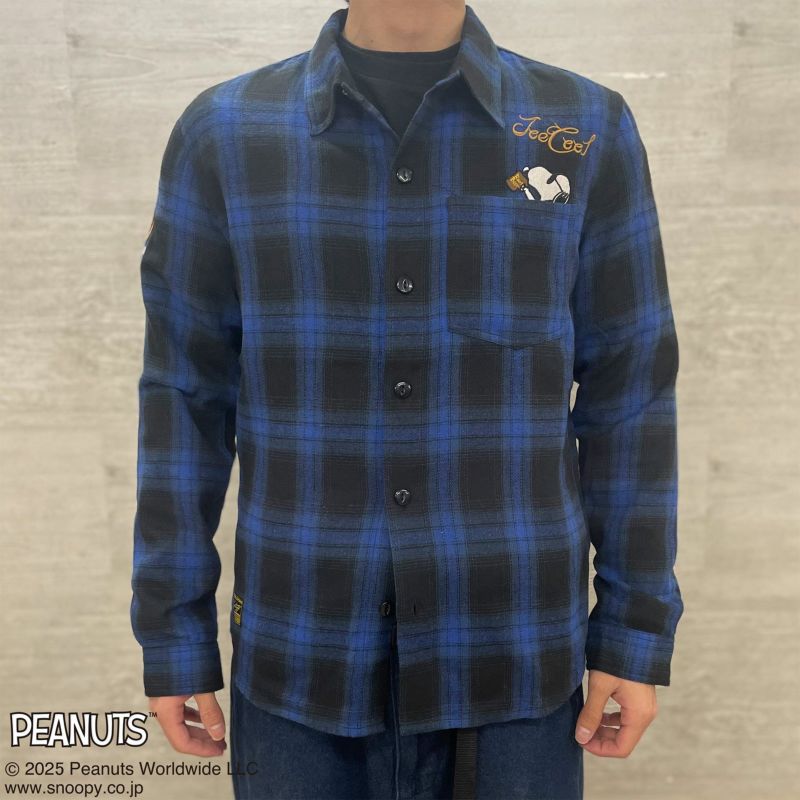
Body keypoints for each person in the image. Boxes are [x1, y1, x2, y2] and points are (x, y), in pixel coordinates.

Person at [130, 1, 684, 797]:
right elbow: (184, 396)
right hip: (300, 657)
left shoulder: (586, 127)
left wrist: (632, 631)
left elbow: (630, 395)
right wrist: (174, 635)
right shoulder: (225, 134)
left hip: (514, 660)